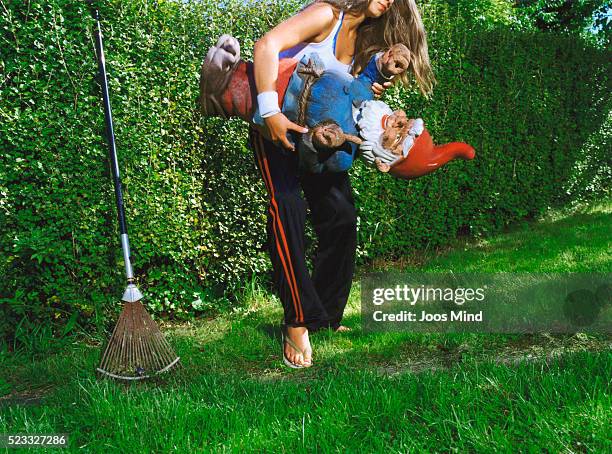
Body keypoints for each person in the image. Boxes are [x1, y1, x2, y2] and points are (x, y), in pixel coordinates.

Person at [249, 0, 435, 368]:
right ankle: (297, 320)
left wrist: (371, 86)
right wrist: (269, 112)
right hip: (278, 133)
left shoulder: (368, 41)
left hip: (322, 141)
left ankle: (327, 316)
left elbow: (347, 95)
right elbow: (266, 45)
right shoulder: (325, 15)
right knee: (288, 208)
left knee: (341, 215)